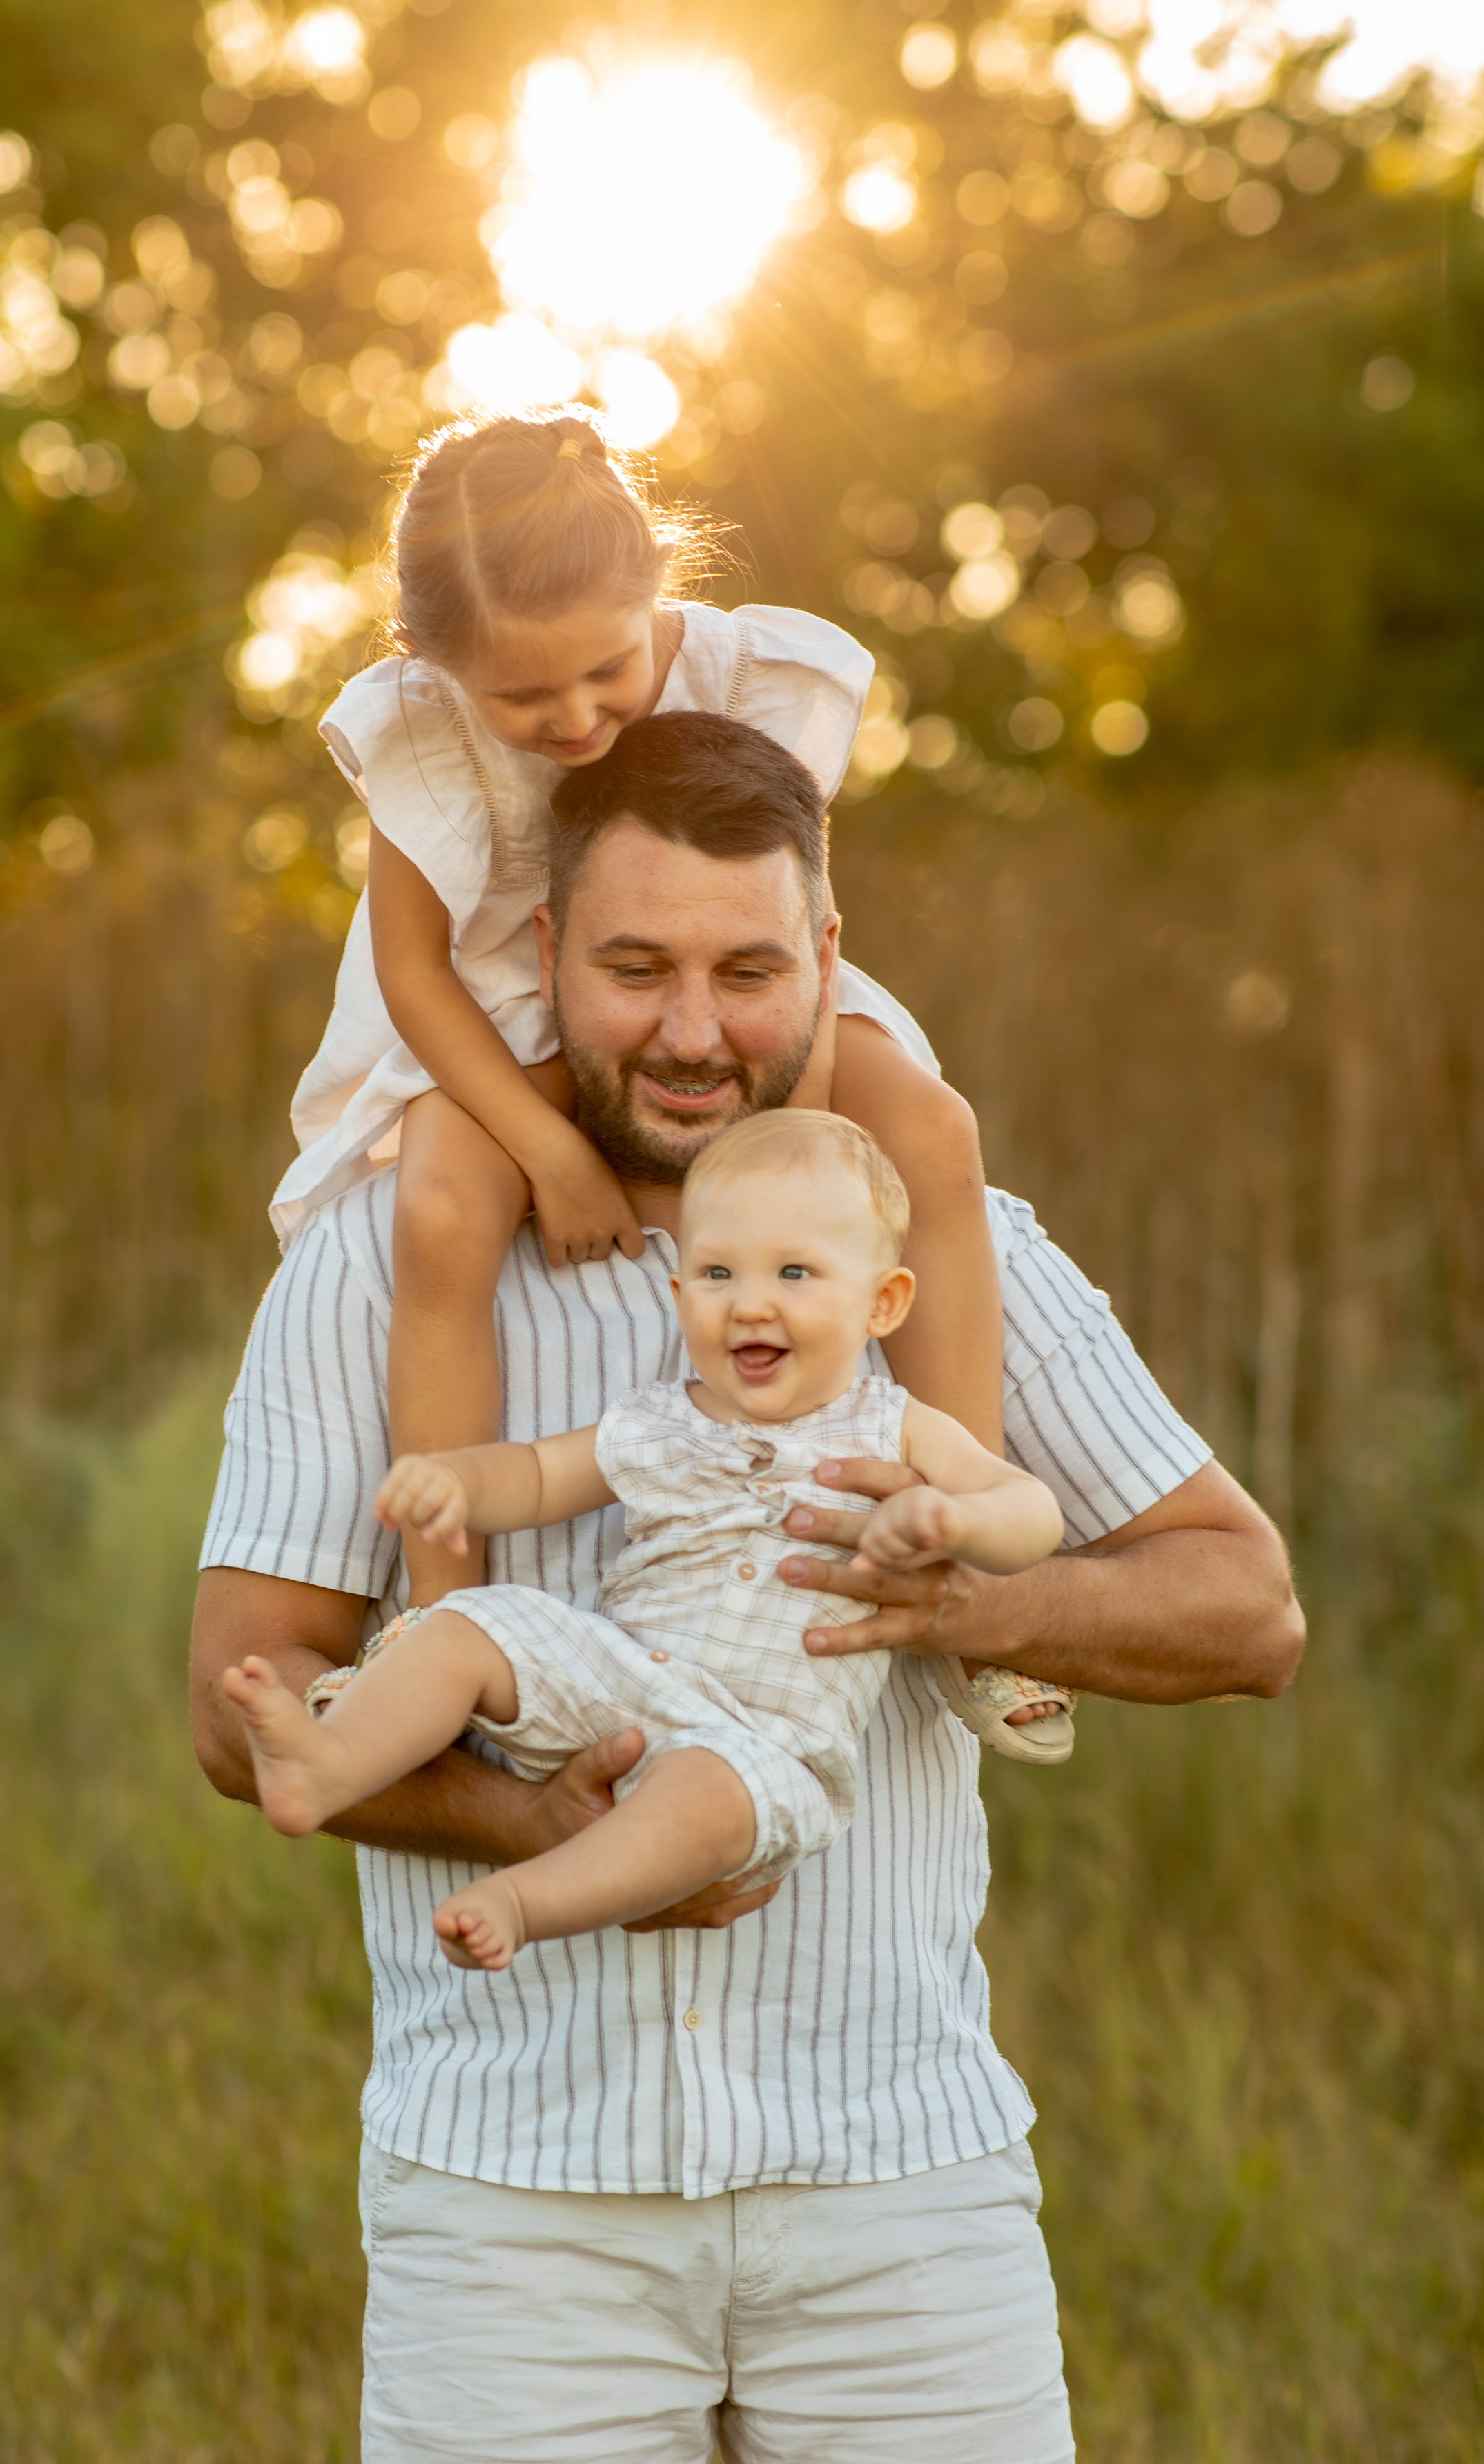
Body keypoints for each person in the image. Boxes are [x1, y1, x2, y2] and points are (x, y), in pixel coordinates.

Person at [192, 712, 1305, 2464]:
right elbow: (242, 1692)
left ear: (830, 959)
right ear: (547, 962)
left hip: (897, 2181)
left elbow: (1247, 1607)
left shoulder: (933, 1261)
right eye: (636, 969)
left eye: (747, 970)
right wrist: (571, 1831)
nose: (694, 1027)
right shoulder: (382, 1261)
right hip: (514, 2189)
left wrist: (969, 1608)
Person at [273, 406, 1073, 1760]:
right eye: (525, 701)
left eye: (604, 670)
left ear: (654, 589)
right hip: (495, 1002)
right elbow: (415, 981)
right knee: (440, 1207)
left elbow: (790, 917)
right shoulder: (418, 735)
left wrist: (797, 1138)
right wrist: (547, 1146)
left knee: (928, 1131)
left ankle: (962, 1578)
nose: (575, 718)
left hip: (711, 974)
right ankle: (435, 1621)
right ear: (434, 668)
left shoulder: (755, 679)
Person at [222, 1111, 1065, 1972]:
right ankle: (328, 1763)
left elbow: (1030, 1513)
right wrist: (459, 1484)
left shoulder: (896, 1428)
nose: (751, 1302)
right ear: (679, 1294)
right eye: (717, 1272)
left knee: (701, 1795)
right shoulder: (658, 1419)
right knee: (467, 1626)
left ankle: (522, 1900)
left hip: (767, 1747)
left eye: (797, 1272)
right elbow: (540, 1476)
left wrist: (955, 1521)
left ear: (881, 1301)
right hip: (620, 1681)